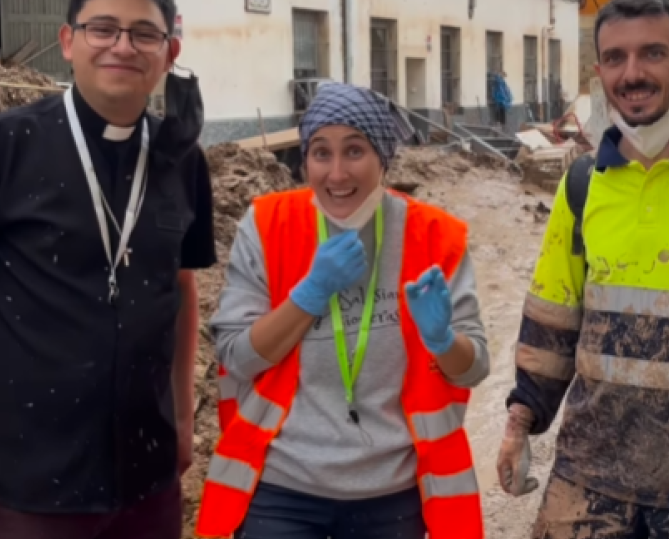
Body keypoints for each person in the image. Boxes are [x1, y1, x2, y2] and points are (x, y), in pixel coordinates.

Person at [0, 0, 216, 539]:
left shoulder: (182, 160)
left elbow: (181, 293)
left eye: (144, 33)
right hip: (25, 484)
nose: (122, 46)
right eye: (102, 28)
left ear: (168, 54)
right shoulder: (4, 144)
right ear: (68, 41)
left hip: (147, 480)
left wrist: (182, 419)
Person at [194, 82, 490, 539]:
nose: (336, 174)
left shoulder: (433, 237)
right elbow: (236, 356)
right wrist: (310, 293)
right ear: (305, 160)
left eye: (355, 151)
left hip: (392, 494)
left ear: (383, 157)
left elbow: (473, 370)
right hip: (283, 489)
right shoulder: (267, 226)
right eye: (320, 153)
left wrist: (444, 342)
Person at [497, 0, 669, 538]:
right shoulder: (581, 185)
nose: (632, 73)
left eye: (653, 53)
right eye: (616, 58)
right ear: (600, 71)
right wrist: (520, 422)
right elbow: (552, 320)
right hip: (589, 482)